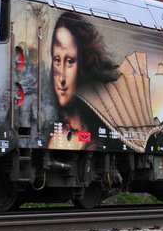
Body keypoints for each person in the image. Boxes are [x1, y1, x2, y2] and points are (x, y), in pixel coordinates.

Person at [47, 12, 117, 149]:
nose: (61, 79)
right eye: (56, 60)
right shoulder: (50, 132)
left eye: (69, 61)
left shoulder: (97, 137)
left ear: (83, 65)